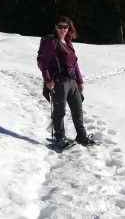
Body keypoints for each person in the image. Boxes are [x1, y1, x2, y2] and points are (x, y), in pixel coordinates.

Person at [39, 16, 95, 148]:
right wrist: (47, 80)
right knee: (60, 111)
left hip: (72, 82)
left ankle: (81, 136)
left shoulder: (68, 42)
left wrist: (80, 81)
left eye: (65, 27)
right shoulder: (52, 43)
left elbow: (75, 64)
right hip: (59, 82)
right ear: (55, 27)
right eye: (60, 26)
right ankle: (60, 137)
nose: (63, 29)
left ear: (68, 28)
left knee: (78, 109)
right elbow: (44, 64)